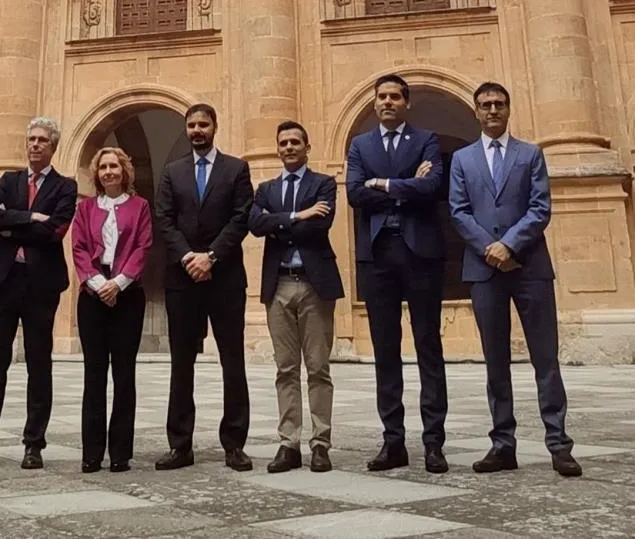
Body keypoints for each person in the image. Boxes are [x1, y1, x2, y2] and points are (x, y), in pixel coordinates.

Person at [448, 82, 581, 477]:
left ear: (508, 109)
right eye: (485, 105)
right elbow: (458, 211)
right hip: (483, 269)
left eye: (499, 104)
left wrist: (508, 246)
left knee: (546, 359)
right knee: (495, 361)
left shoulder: (530, 154)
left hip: (530, 267)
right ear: (476, 112)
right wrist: (490, 249)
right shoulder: (462, 159)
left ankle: (559, 444)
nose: (492, 110)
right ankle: (502, 444)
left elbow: (540, 208)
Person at [0, 117, 77, 472]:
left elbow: (55, 231)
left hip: (41, 284)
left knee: (39, 366)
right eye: (31, 139)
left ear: (53, 147)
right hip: (2, 281)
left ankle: (33, 445)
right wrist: (31, 218)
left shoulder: (66, 186)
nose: (35, 145)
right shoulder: (8, 180)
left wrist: (13, 223)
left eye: (42, 140)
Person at [346, 74, 449, 474]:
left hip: (420, 252)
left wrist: (383, 184)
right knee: (385, 351)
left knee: (428, 346)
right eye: (382, 97)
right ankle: (393, 442)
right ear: (375, 103)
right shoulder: (361, 144)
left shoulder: (426, 139)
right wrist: (407, 186)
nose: (387, 102)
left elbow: (433, 186)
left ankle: (434, 443)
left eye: (394, 97)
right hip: (378, 255)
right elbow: (355, 193)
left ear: (406, 103)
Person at [154, 103, 255, 472]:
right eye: (192, 125)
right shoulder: (172, 171)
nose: (197, 130)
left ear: (215, 126)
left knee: (233, 361)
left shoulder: (236, 169)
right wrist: (188, 258)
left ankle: (234, 444)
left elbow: (242, 217)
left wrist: (211, 256)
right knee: (181, 363)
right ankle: (180, 445)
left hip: (225, 277)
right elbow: (163, 219)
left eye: (203, 124)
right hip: (182, 279)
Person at [248, 121, 344, 473]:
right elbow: (254, 225)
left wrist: (278, 223)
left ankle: (320, 444)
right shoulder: (266, 188)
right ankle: (289, 443)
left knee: (318, 368)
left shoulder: (323, 183)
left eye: (295, 142)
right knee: (285, 369)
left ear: (307, 147)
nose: (289, 147)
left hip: (314, 284)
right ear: (278, 149)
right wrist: (297, 215)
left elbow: (320, 225)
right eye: (283, 143)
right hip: (278, 285)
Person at [71, 147, 153, 474]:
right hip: (92, 295)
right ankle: (91, 453)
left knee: (123, 373)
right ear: (96, 173)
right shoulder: (85, 208)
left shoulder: (140, 206)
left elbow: (142, 247)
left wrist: (118, 283)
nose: (108, 172)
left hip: (128, 295)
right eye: (103, 167)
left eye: (114, 166)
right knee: (93, 375)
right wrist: (97, 284)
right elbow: (78, 248)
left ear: (124, 171)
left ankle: (120, 452)